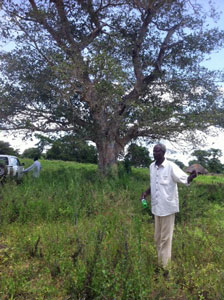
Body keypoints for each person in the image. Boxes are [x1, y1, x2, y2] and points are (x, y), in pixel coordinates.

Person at [141, 143, 197, 270]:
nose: (155, 154)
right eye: (154, 151)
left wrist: (192, 177)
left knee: (165, 240)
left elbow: (185, 179)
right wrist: (145, 193)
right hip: (156, 208)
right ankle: (160, 264)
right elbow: (154, 184)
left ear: (163, 153)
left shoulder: (171, 166)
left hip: (167, 208)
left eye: (158, 151)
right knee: (157, 238)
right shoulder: (151, 166)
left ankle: (165, 269)